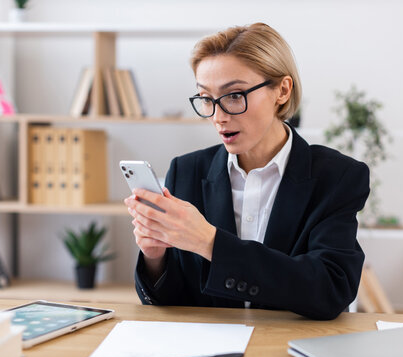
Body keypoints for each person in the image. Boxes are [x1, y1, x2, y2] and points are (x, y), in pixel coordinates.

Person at [125, 23, 370, 320]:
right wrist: (155, 257)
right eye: (206, 98)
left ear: (282, 90)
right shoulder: (186, 171)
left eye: (234, 95)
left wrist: (209, 242)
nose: (218, 116)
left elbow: (330, 289)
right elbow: (172, 301)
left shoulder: (338, 177)